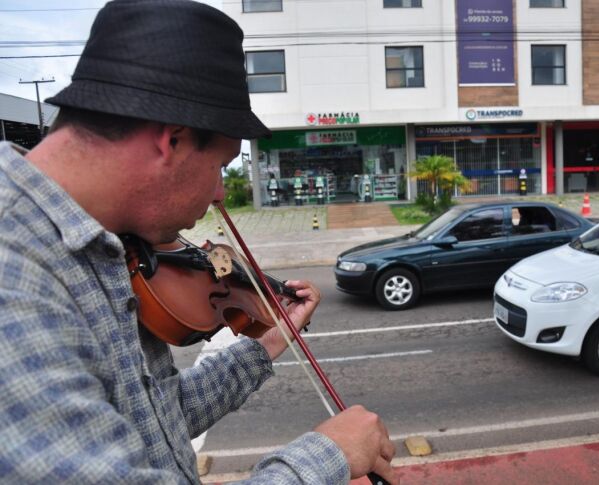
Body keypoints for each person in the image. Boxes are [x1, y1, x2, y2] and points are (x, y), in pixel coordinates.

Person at [0, 1, 397, 484]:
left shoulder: (106, 251)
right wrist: (327, 457)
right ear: (173, 141)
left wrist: (270, 338)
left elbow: (156, 421)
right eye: (220, 165)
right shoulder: (14, 275)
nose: (218, 193)